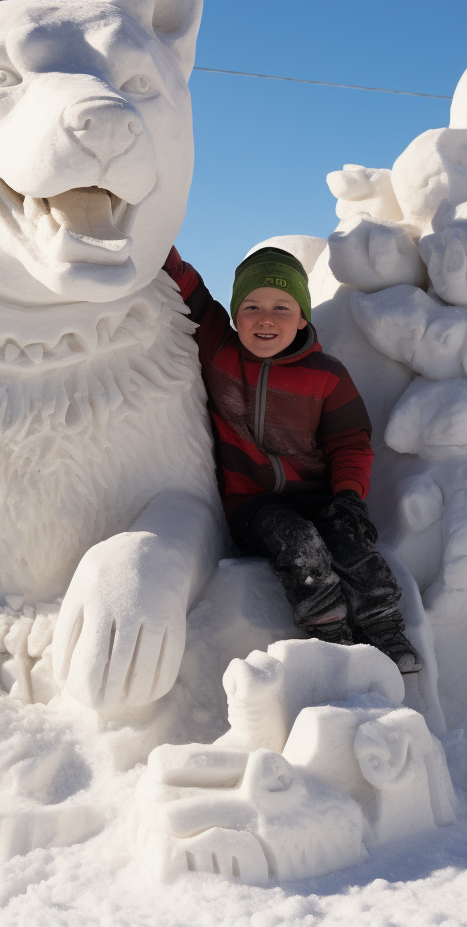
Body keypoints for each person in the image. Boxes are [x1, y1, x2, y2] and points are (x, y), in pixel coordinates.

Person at [163, 243, 422, 673]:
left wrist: (349, 498)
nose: (266, 318)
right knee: (299, 545)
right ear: (235, 315)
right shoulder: (219, 350)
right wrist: (158, 243)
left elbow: (350, 441)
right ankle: (332, 636)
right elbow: (191, 291)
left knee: (354, 551)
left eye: (282, 307)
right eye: (251, 306)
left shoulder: (327, 375)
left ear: (303, 317)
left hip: (321, 497)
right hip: (252, 503)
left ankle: (384, 628)